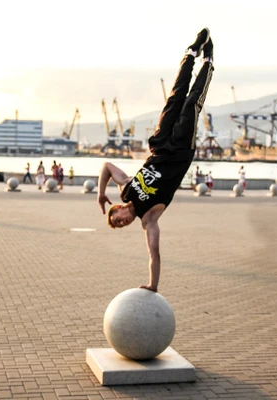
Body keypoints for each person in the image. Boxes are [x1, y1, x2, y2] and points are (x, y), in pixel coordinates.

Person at [96, 28, 213, 292]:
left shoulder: (125, 188)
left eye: (117, 219)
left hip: (159, 144)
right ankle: (208, 62)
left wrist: (101, 193)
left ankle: (191, 53)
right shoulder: (149, 219)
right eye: (121, 225)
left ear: (117, 208)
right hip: (181, 149)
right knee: (192, 102)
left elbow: (106, 166)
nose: (123, 222)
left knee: (175, 96)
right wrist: (152, 285)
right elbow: (154, 256)